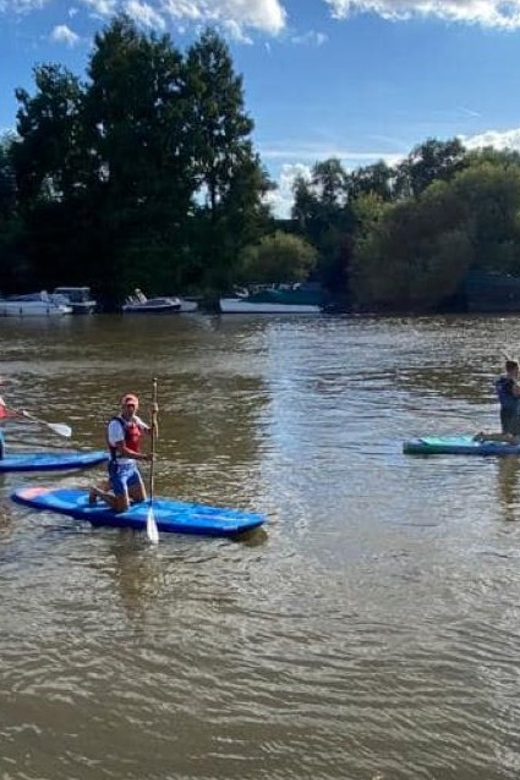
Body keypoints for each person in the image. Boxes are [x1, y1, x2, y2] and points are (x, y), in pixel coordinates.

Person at [89, 393, 159, 512]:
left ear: (136, 407)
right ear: (122, 407)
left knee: (141, 500)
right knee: (122, 509)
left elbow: (153, 434)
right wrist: (144, 457)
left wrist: (154, 415)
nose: (130, 409)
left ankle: (113, 485)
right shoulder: (115, 425)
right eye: (127, 406)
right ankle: (96, 491)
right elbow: (123, 451)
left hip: (131, 467)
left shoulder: (136, 420)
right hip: (118, 467)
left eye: (132, 406)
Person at [474, 359, 520, 443]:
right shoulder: (513, 384)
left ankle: (484, 435)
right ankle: (485, 437)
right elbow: (517, 393)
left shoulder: (500, 379)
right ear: (515, 369)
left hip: (505, 411)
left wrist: (515, 380)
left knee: (507, 434)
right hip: (514, 413)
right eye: (518, 370)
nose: (519, 372)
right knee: (515, 439)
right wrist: (516, 383)